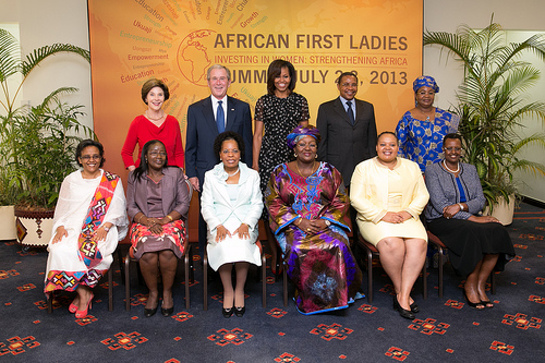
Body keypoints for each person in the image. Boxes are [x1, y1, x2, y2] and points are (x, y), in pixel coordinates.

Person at [266, 126, 363, 315]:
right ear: (294, 148)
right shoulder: (280, 172)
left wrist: (326, 221)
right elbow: (273, 200)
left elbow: (341, 199)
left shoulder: (330, 171)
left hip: (326, 225)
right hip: (294, 226)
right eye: (302, 144)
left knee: (338, 245)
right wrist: (297, 221)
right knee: (297, 248)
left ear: (317, 148)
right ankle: (306, 296)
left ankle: (340, 295)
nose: (307, 148)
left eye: (311, 144)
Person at [424, 133, 515, 309]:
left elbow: (480, 200)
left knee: (496, 230)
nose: (453, 152)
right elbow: (441, 205)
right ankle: (469, 285)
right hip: (440, 220)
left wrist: (460, 207)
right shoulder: (432, 171)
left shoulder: (470, 169)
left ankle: (480, 284)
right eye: (449, 148)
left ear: (461, 150)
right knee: (473, 232)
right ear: (443, 149)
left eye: (457, 148)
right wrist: (472, 217)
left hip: (465, 216)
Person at [44, 140, 128, 318]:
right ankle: (84, 293)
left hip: (102, 226)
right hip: (71, 225)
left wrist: (105, 226)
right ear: (80, 159)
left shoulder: (112, 180)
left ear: (101, 158)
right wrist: (59, 227)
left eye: (96, 156)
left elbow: (118, 210)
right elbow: (62, 208)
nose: (92, 160)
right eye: (87, 157)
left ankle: (81, 295)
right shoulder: (71, 180)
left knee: (87, 249)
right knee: (60, 248)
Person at [350, 132, 429, 319]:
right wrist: (383, 214)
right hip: (374, 219)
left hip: (406, 216)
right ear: (376, 147)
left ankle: (403, 294)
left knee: (418, 243)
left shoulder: (412, 166)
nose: (387, 148)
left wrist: (409, 211)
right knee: (393, 243)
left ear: (397, 147)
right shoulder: (363, 168)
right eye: (383, 145)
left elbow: (422, 195)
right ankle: (402, 291)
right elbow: (356, 198)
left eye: (392, 145)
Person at [186, 64, 253, 258]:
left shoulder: (242, 108)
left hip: (237, 172)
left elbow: (246, 143)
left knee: (236, 210)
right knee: (206, 213)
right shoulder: (195, 109)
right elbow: (190, 145)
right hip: (205, 172)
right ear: (208, 82)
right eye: (214, 78)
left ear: (229, 81)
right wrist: (192, 174)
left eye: (222, 78)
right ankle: (206, 254)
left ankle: (236, 253)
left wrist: (247, 172)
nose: (218, 82)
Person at [253, 59, 309, 275]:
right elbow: (258, 135)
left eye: (286, 76)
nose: (282, 80)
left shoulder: (300, 101)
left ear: (291, 78)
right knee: (270, 208)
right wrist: (256, 164)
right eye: (278, 76)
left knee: (292, 204)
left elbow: (305, 137)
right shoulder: (263, 102)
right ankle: (275, 256)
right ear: (271, 78)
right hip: (268, 157)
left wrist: (305, 162)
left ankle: (290, 254)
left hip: (292, 159)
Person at [201, 132, 263, 318]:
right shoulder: (210, 176)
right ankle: (228, 290)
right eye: (226, 151)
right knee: (224, 244)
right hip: (219, 224)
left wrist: (247, 223)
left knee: (242, 243)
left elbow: (257, 203)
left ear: (240, 153)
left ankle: (239, 290)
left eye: (234, 151)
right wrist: (217, 225)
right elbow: (206, 205)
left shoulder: (252, 175)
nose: (230, 155)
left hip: (245, 223)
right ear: (219, 154)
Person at [127, 140, 191, 317]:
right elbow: (131, 207)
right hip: (143, 222)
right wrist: (147, 221)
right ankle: (153, 292)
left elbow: (184, 203)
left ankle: (167, 292)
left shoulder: (175, 173)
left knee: (167, 251)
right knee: (147, 252)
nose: (159, 156)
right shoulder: (134, 176)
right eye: (154, 153)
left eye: (162, 153)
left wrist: (165, 220)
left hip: (171, 221)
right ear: (145, 156)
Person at [317, 71, 377, 188]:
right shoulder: (326, 109)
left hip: (362, 167)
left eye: (354, 85)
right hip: (336, 169)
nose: (350, 88)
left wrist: (373, 166)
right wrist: (324, 170)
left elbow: (372, 140)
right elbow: (321, 142)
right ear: (338, 86)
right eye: (346, 84)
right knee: (339, 205)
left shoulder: (368, 108)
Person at [396, 75, 460, 172]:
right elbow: (398, 146)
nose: (427, 96)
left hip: (442, 173)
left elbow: (454, 145)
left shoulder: (447, 117)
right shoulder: (408, 118)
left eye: (430, 93)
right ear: (416, 95)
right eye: (422, 93)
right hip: (415, 173)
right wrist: (405, 170)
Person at [121, 78, 185, 170]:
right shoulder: (137, 122)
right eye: (152, 94)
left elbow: (179, 153)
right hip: (145, 176)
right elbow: (126, 153)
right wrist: (134, 173)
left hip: (170, 176)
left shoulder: (173, 122)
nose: (156, 98)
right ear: (146, 98)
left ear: (164, 98)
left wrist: (179, 172)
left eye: (160, 95)